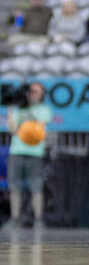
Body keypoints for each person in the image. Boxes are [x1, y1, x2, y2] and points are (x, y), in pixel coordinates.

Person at [5, 82, 53, 229]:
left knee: (36, 187)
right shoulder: (17, 109)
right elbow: (13, 130)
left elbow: (37, 130)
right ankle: (14, 219)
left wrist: (25, 119)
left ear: (41, 95)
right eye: (30, 91)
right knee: (15, 186)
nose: (32, 94)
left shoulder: (44, 110)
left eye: (36, 92)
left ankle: (38, 220)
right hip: (17, 151)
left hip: (35, 153)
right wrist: (11, 112)